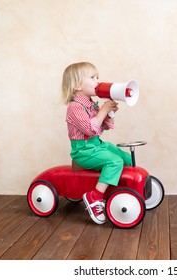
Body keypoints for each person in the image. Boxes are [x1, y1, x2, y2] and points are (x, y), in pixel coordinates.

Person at [61, 62, 132, 224]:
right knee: (114, 161)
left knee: (126, 159)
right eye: (92, 78)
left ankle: (121, 193)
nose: (97, 81)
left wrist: (110, 112)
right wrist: (103, 110)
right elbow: (90, 129)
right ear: (77, 85)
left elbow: (104, 126)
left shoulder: (92, 104)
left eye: (97, 77)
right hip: (83, 151)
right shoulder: (75, 107)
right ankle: (95, 196)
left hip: (97, 145)